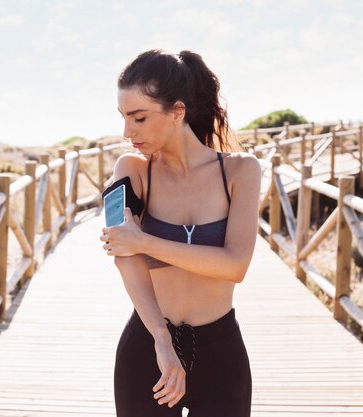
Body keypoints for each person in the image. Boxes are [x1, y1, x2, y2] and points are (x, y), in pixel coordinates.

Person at [100, 49, 261, 417]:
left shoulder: (240, 172)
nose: (128, 132)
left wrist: (144, 241)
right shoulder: (131, 170)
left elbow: (235, 265)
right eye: (124, 118)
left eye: (139, 118)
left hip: (221, 352)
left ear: (177, 112)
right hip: (147, 347)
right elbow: (122, 254)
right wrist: (160, 337)